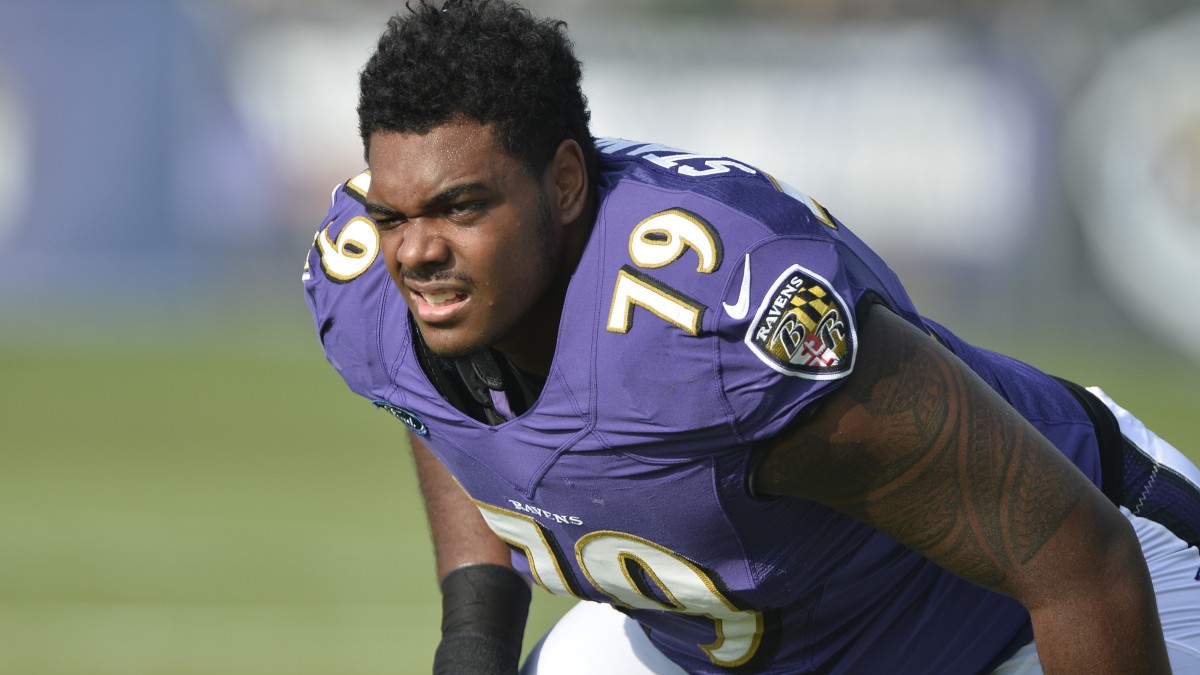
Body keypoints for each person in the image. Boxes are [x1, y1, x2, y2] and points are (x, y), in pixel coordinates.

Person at [301, 1, 1200, 672]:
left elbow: (1079, 560)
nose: (416, 251)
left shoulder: (718, 330)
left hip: (1043, 609)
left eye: (462, 207)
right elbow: (433, 405)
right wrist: (474, 634)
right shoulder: (374, 279)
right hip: (749, 638)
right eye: (394, 212)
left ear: (566, 183)